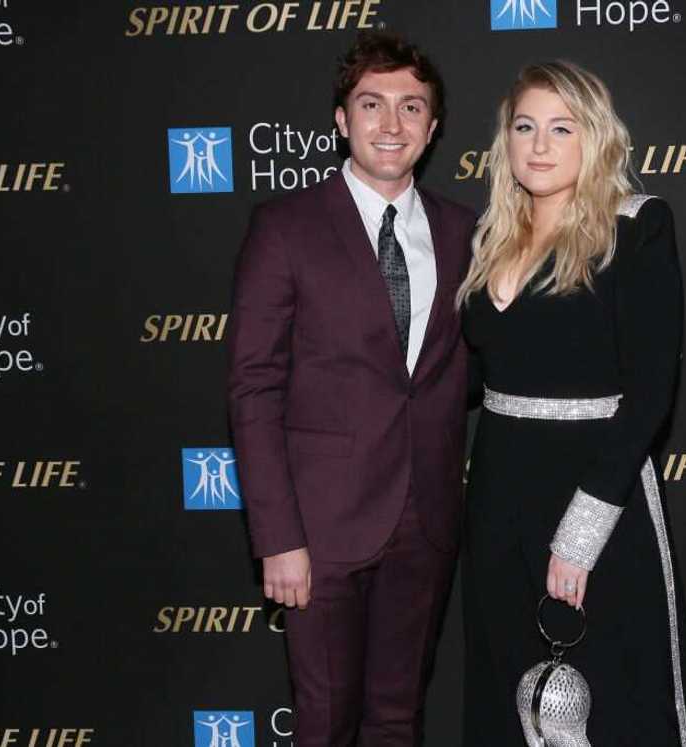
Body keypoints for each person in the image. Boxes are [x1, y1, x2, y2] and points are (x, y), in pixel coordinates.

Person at [227, 31, 476, 746]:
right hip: (319, 529)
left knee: (398, 720)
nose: (390, 124)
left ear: (432, 129)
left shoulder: (465, 232)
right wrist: (276, 537)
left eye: (410, 107)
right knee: (326, 722)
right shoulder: (285, 227)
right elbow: (253, 387)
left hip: (426, 520)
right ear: (341, 119)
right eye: (371, 104)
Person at [458, 61, 686, 746]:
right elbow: (473, 378)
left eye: (560, 128)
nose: (538, 144)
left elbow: (651, 391)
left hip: (597, 491)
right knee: (508, 685)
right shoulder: (488, 238)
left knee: (613, 691)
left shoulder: (635, 228)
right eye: (524, 126)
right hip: (499, 493)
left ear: (593, 138)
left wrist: (580, 533)